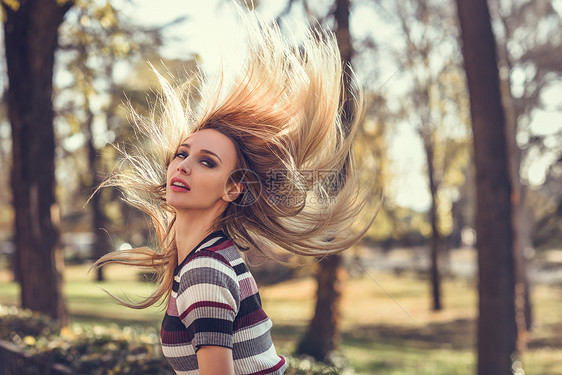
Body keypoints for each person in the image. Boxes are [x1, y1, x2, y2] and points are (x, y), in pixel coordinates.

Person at [94, 6, 375, 375]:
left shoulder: (205, 272)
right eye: (183, 153)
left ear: (232, 188)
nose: (183, 165)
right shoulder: (212, 258)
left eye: (207, 161)